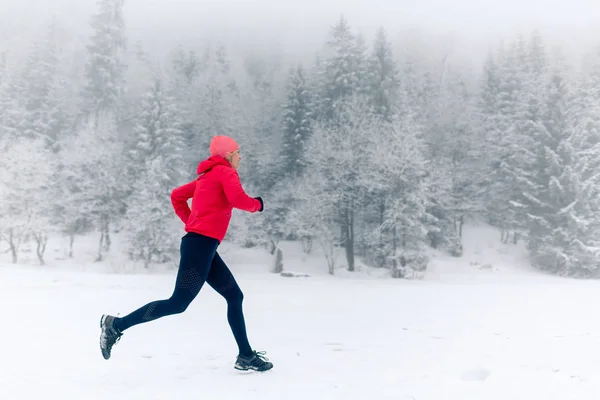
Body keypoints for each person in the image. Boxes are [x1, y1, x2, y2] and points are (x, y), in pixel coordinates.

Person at [99, 135, 273, 372]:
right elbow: (237, 199)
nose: (240, 157)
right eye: (238, 152)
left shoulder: (206, 178)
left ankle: (245, 356)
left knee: (235, 296)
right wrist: (258, 204)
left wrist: (192, 221)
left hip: (203, 247)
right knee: (178, 303)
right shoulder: (225, 173)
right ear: (227, 155)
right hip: (200, 246)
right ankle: (116, 325)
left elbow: (177, 196)